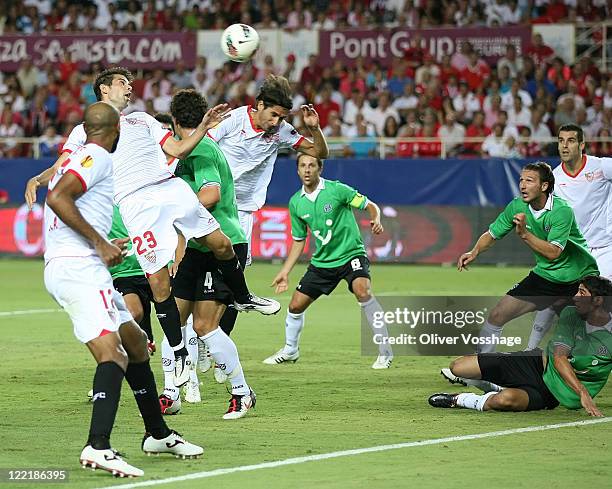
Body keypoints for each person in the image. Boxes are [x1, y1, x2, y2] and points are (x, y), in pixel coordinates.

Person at [25, 67, 280, 388]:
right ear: (104, 90)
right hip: (136, 205)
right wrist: (39, 177)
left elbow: (177, 150)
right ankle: (178, 354)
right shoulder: (85, 130)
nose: (129, 88)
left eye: (130, 83)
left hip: (168, 188)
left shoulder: (142, 120)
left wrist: (203, 126)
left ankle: (241, 296)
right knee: (160, 285)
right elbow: (64, 165)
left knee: (222, 243)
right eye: (122, 83)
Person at [43, 102, 202, 478]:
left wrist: (103, 239)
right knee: (112, 355)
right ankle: (98, 446)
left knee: (133, 341)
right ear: (115, 131)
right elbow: (58, 198)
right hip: (79, 268)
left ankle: (157, 434)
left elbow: (63, 198)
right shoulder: (97, 155)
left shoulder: (78, 156)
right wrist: (98, 243)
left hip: (79, 264)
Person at [168, 89, 257, 419]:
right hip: (196, 246)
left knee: (204, 326)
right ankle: (169, 392)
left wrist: (170, 208)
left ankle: (242, 392)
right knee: (172, 319)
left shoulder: (201, 150)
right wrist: (179, 251)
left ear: (175, 121)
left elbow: (210, 195)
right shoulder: (189, 152)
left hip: (222, 243)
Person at [263, 154, 394, 369]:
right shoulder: (296, 202)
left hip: (351, 254)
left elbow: (370, 205)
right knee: (295, 306)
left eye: (311, 165)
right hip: (323, 262)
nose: (307, 170)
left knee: (363, 291)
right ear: (297, 170)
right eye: (303, 166)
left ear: (319, 169)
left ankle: (385, 349)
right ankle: (290, 350)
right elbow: (298, 241)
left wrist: (376, 218)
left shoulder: (336, 190)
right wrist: (285, 271)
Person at [457, 162, 599, 353]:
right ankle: (479, 368)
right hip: (546, 276)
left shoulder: (561, 211)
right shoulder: (517, 206)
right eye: (521, 180)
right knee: (497, 315)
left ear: (544, 186)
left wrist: (524, 234)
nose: (523, 185)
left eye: (529, 181)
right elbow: (492, 234)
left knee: (586, 333)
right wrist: (474, 252)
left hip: (578, 277)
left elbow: (553, 252)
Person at [429, 275, 611, 416]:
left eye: (582, 293)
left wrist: (582, 393)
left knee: (505, 401)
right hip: (535, 363)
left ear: (598, 300)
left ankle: (460, 400)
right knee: (458, 367)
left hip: (550, 393)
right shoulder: (571, 314)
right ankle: (499, 384)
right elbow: (559, 357)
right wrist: (583, 392)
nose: (575, 297)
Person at [527, 124, 612, 349]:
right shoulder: (553, 179)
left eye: (571, 140)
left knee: (599, 301)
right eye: (561, 140)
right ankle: (529, 351)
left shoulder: (602, 167)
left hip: (604, 250)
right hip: (575, 253)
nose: (565, 145)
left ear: (582, 145)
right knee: (552, 298)